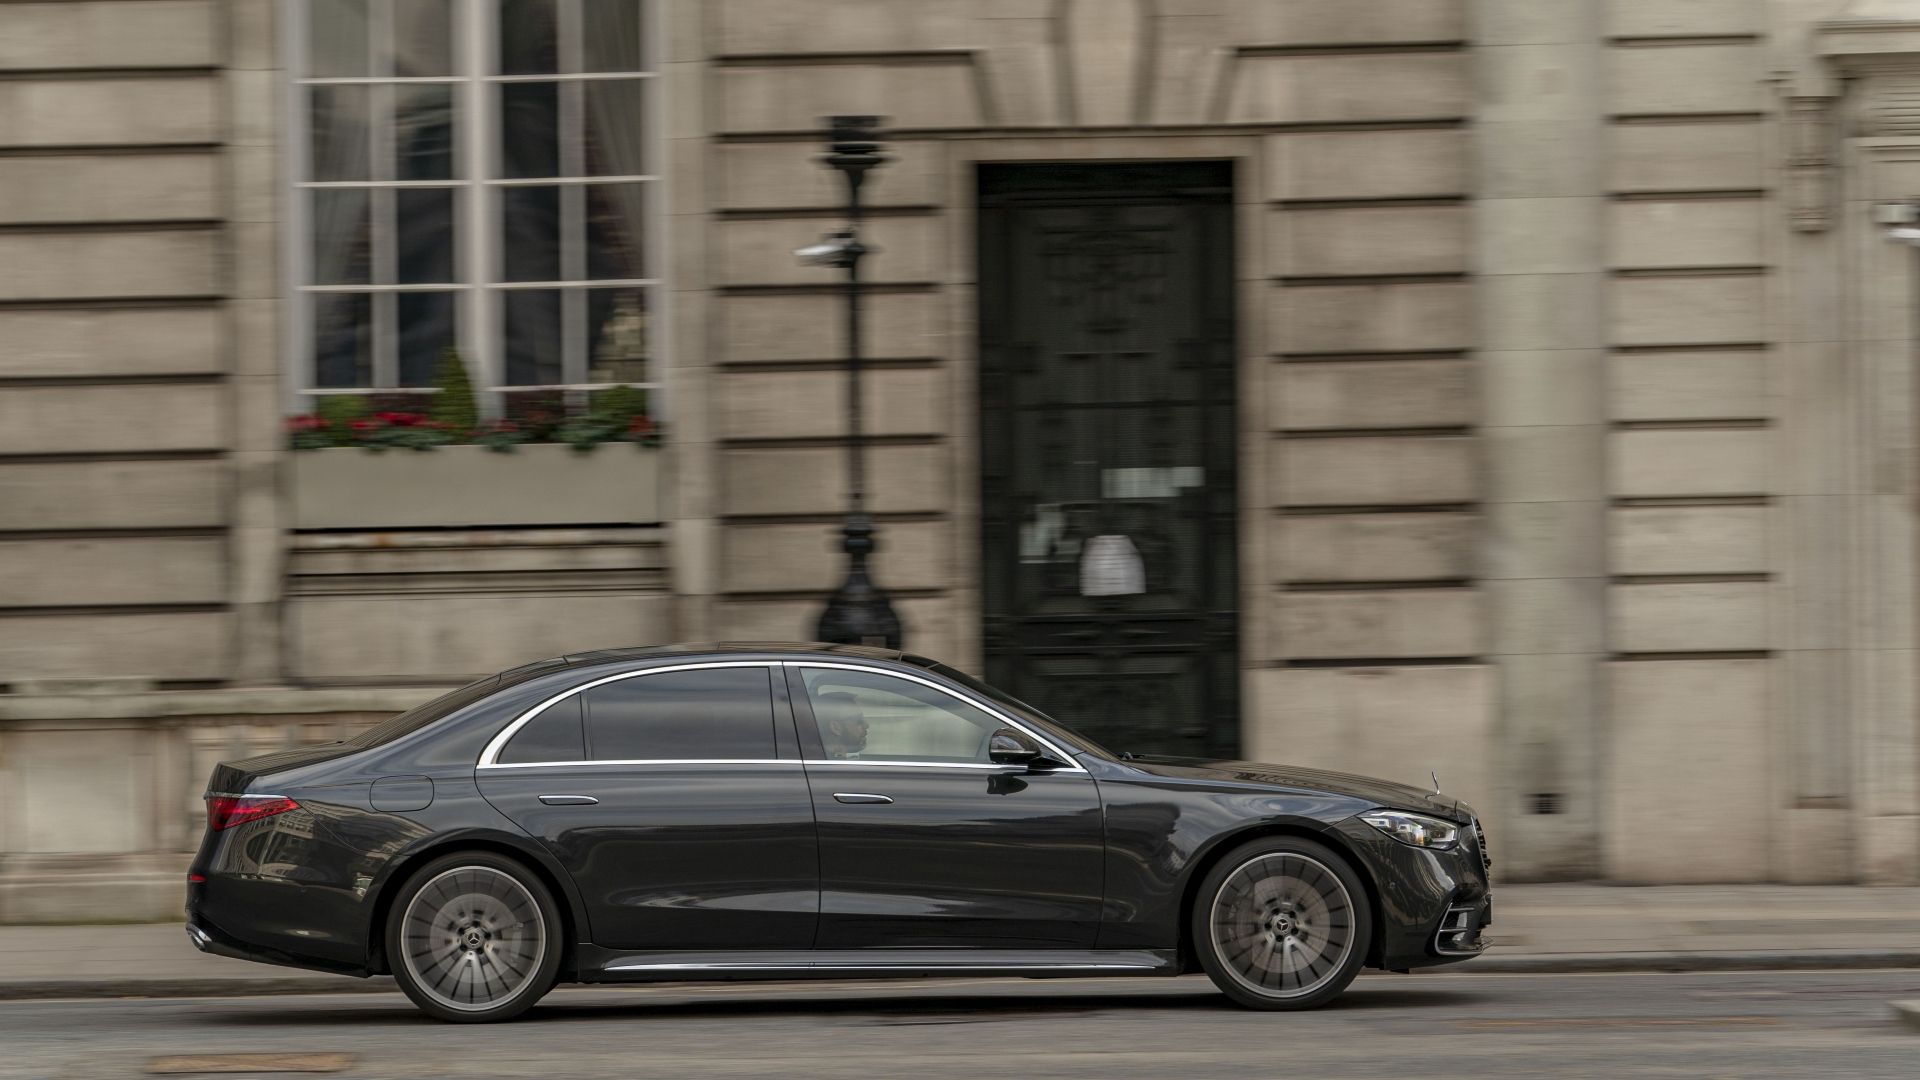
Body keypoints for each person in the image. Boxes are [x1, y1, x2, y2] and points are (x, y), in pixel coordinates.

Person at [817, 691, 869, 759]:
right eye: (859, 721)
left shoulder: (826, 762)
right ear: (835, 727)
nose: (867, 725)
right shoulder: (830, 767)